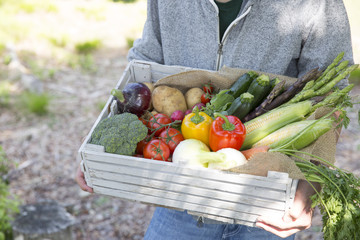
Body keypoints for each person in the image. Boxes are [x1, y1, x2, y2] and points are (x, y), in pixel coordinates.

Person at [76, 0, 354, 239]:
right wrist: (96, 142)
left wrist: (309, 186)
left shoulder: (317, 5)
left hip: (268, 199)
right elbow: (143, 64)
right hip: (182, 195)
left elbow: (333, 97)